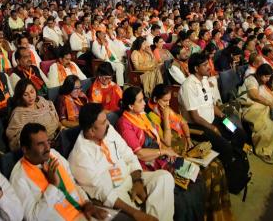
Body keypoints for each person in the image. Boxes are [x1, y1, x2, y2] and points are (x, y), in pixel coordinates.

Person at [69, 103, 174, 221]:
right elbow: (102, 193)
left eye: (106, 120)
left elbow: (129, 155)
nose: (108, 124)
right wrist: (135, 213)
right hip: (115, 194)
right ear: (91, 131)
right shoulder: (79, 156)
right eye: (104, 123)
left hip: (130, 177)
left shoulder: (109, 131)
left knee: (164, 178)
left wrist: (137, 181)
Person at [116, 86, 207, 221]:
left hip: (162, 157)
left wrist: (167, 148)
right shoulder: (125, 124)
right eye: (140, 101)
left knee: (196, 175)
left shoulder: (143, 116)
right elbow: (139, 154)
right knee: (184, 196)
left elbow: (165, 141)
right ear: (130, 105)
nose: (144, 104)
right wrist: (163, 151)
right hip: (147, 165)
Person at [148, 84, 233, 220]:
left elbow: (183, 123)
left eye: (169, 100)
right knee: (211, 169)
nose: (167, 104)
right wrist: (165, 119)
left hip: (193, 136)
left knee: (218, 163)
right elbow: (167, 143)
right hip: (176, 148)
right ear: (155, 99)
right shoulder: (153, 116)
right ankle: (205, 214)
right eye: (164, 101)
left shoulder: (206, 83)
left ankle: (218, 212)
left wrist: (188, 138)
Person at [10, 123, 108, 221]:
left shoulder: (54, 155)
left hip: (83, 212)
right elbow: (33, 218)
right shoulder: (18, 178)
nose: (47, 148)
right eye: (40, 144)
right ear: (26, 150)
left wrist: (87, 203)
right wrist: (53, 186)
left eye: (48, 142)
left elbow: (73, 184)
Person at [179, 53, 247, 169]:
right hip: (199, 125)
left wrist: (223, 117)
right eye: (205, 65)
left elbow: (211, 104)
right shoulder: (188, 85)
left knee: (238, 132)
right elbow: (195, 116)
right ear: (196, 68)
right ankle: (229, 169)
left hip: (213, 119)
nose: (209, 67)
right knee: (225, 146)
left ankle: (238, 160)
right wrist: (212, 127)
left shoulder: (204, 80)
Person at [239, 64, 273, 164]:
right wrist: (269, 103)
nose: (267, 79)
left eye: (269, 77)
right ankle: (263, 151)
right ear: (260, 74)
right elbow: (254, 96)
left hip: (261, 105)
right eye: (266, 76)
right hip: (250, 108)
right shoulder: (251, 80)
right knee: (266, 126)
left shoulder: (262, 81)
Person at [6, 79, 61, 151]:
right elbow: (14, 138)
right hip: (37, 149)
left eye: (32, 92)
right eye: (25, 94)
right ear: (20, 96)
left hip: (57, 138)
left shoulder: (42, 101)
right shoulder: (18, 113)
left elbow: (55, 119)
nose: (30, 96)